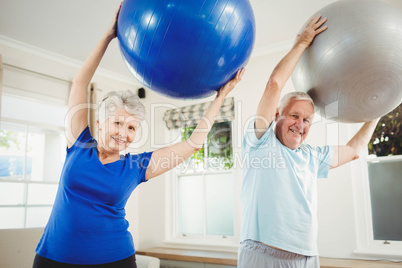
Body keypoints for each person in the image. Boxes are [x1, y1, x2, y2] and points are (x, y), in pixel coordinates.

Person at [33, 4, 245, 268]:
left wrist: (221, 97)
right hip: (54, 258)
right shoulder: (79, 143)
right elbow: (79, 83)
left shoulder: (135, 167)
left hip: (114, 260)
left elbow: (192, 144)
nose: (124, 133)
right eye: (118, 123)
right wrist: (108, 36)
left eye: (131, 128)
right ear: (100, 123)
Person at [238, 15, 379, 268]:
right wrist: (301, 43)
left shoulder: (311, 156)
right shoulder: (260, 141)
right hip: (262, 255)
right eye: (294, 115)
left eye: (307, 120)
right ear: (277, 115)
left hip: (306, 257)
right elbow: (274, 85)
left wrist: (377, 110)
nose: (300, 125)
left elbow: (355, 150)